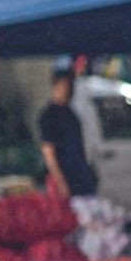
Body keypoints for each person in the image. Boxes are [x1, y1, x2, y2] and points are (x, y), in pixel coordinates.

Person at [39, 70, 98, 198]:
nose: (70, 90)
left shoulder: (71, 114)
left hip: (80, 179)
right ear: (56, 86)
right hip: (65, 180)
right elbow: (49, 152)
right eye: (66, 86)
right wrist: (61, 183)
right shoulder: (49, 116)